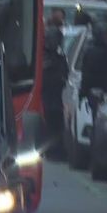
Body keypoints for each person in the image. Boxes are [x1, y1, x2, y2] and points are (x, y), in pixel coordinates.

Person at [42, 26, 68, 159]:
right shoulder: (43, 57)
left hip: (56, 97)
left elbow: (65, 74)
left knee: (57, 124)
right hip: (46, 97)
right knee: (47, 125)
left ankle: (57, 150)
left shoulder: (59, 57)